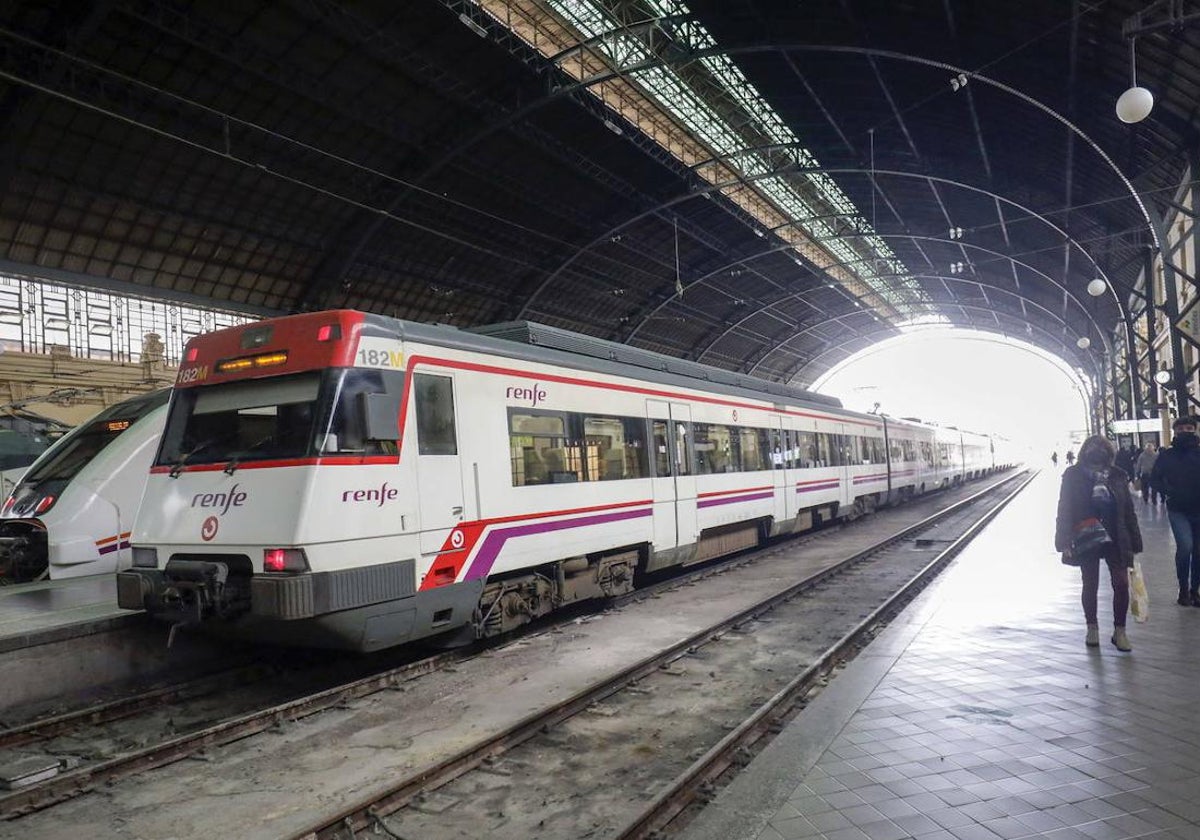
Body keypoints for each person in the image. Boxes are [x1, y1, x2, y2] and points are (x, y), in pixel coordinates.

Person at [1055, 435, 1143, 651]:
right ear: (1084, 451)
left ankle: (1119, 631)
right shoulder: (1072, 475)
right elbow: (1064, 507)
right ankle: (1092, 627)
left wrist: (1135, 540)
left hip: (1116, 534)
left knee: (1121, 583)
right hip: (1086, 534)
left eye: (1102, 447)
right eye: (1093, 446)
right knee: (1090, 582)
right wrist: (1063, 539)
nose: (1097, 450)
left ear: (1109, 452)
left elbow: (1128, 510)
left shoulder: (1118, 475)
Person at [1151, 416, 1200, 606]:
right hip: (1178, 509)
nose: (1185, 431)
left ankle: (1194, 590)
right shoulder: (1166, 456)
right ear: (1175, 431)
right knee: (1186, 546)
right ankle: (1183, 587)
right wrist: (1169, 491)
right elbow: (1154, 479)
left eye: (1189, 428)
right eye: (1181, 429)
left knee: (1198, 551)